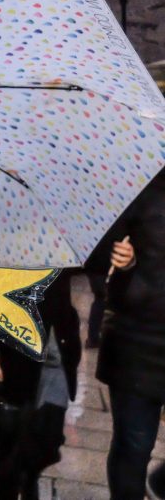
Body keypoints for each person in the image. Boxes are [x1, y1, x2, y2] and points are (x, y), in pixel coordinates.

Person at [0, 269, 81, 499]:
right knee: (8, 444)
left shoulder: (59, 241)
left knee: (47, 439)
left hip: (56, 355)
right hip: (14, 354)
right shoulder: (1, 243)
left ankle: (30, 482)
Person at [96, 169, 165, 500]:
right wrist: (124, 261)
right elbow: (96, 254)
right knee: (135, 446)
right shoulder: (137, 184)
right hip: (138, 342)